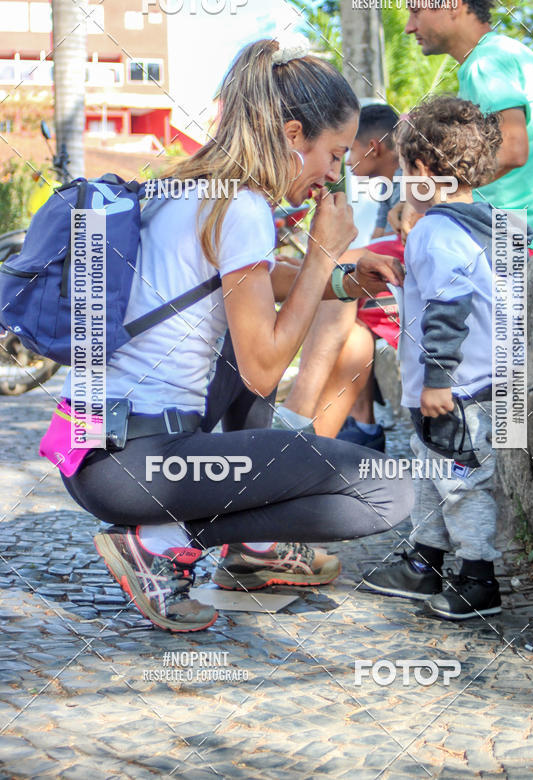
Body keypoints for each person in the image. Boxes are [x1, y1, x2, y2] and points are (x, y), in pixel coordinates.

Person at [56, 38, 412, 633]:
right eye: (334, 154)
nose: (335, 173)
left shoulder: (186, 190)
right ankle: (161, 543)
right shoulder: (242, 208)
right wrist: (323, 255)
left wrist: (341, 279)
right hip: (142, 469)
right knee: (389, 489)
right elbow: (263, 368)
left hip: (93, 452)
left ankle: (242, 547)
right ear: (293, 135)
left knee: (243, 332)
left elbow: (254, 284)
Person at [363, 95, 532, 619]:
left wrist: (437, 378)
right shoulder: (497, 226)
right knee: (433, 471)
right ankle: (425, 562)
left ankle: (479, 579)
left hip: (454, 389)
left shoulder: (435, 231)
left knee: (462, 483)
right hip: (488, 381)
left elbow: (449, 305)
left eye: (402, 170)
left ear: (420, 169)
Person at [387, 0, 533, 251]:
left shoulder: (485, 64)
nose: (410, 27)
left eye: (416, 10)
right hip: (532, 241)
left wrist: (430, 197)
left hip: (521, 248)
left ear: (452, 3)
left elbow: (512, 150)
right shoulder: (501, 55)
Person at [280, 104, 405, 450]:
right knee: (352, 316)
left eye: (346, 154)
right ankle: (343, 431)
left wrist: (312, 267)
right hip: (391, 283)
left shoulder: (410, 181)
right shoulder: (388, 188)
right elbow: (378, 245)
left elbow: (389, 249)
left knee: (337, 278)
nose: (345, 166)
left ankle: (299, 412)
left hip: (413, 280)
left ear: (374, 148)